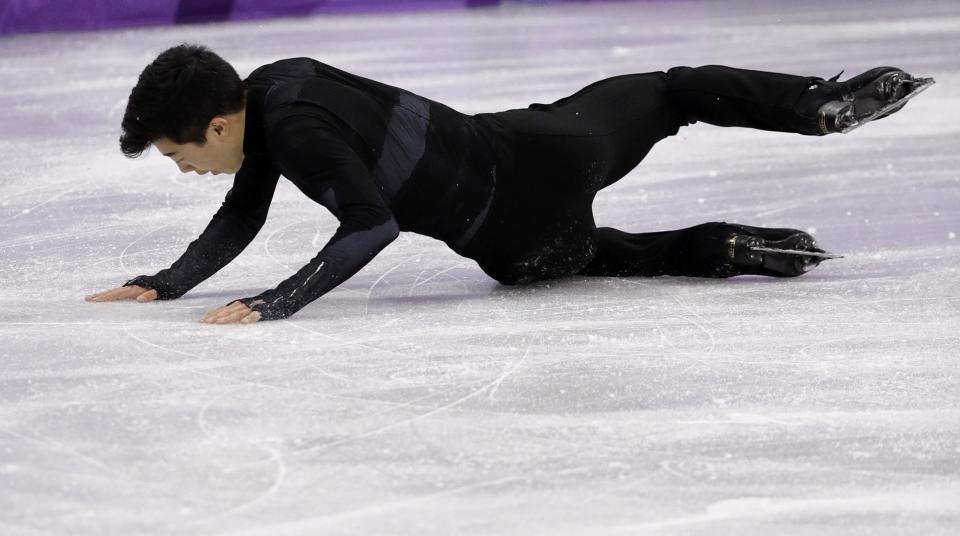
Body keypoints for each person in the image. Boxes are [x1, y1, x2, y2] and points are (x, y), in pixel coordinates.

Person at [84, 44, 933, 324]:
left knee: (597, 253)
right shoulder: (279, 90)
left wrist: (279, 300)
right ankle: (818, 105)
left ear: (221, 124)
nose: (184, 169)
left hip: (518, 246)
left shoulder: (292, 133)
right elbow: (244, 209)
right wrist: (167, 281)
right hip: (549, 152)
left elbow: (370, 225)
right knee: (674, 92)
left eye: (177, 153)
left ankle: (724, 247)